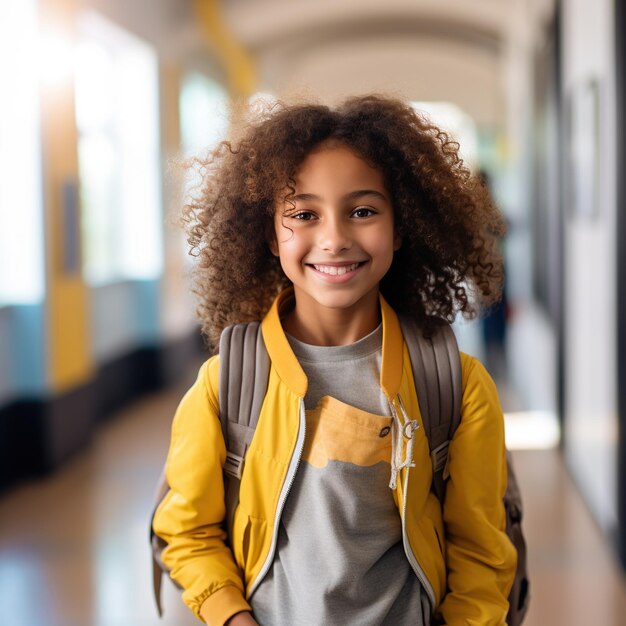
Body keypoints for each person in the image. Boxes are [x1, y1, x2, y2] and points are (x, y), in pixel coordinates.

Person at [152, 95, 517, 626]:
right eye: (303, 214)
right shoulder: (226, 384)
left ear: (400, 227)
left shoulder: (456, 386)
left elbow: (482, 556)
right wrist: (232, 617)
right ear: (270, 237)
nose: (335, 238)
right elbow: (186, 532)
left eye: (363, 211)